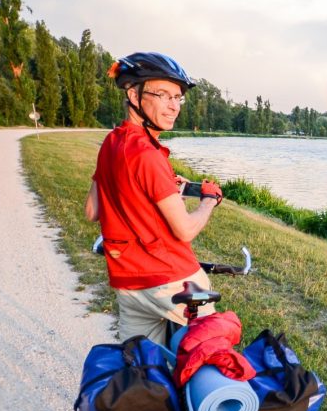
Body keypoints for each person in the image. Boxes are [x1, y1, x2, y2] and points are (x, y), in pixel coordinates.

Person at [85, 52, 224, 345]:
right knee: (208, 365)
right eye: (163, 95)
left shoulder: (112, 142)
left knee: (143, 370)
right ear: (134, 95)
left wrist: (166, 190)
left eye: (178, 98)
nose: (174, 106)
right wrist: (208, 200)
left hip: (128, 285)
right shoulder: (147, 156)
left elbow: (92, 210)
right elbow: (185, 229)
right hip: (172, 282)